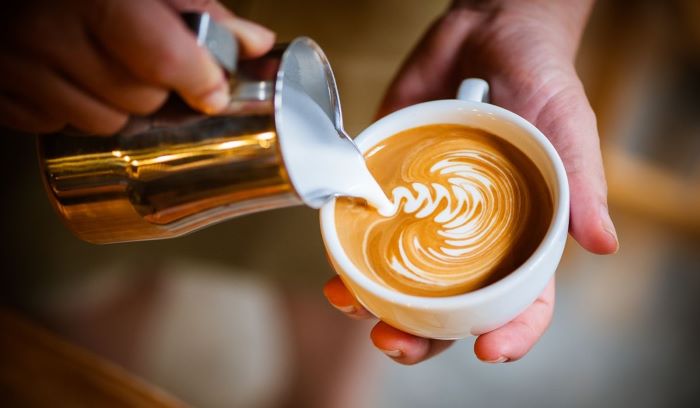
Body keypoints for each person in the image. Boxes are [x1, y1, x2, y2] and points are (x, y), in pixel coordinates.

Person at [0, 0, 618, 365]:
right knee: (71, 260)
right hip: (91, 40)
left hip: (378, 33)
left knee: (332, 311)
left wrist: (519, 11)